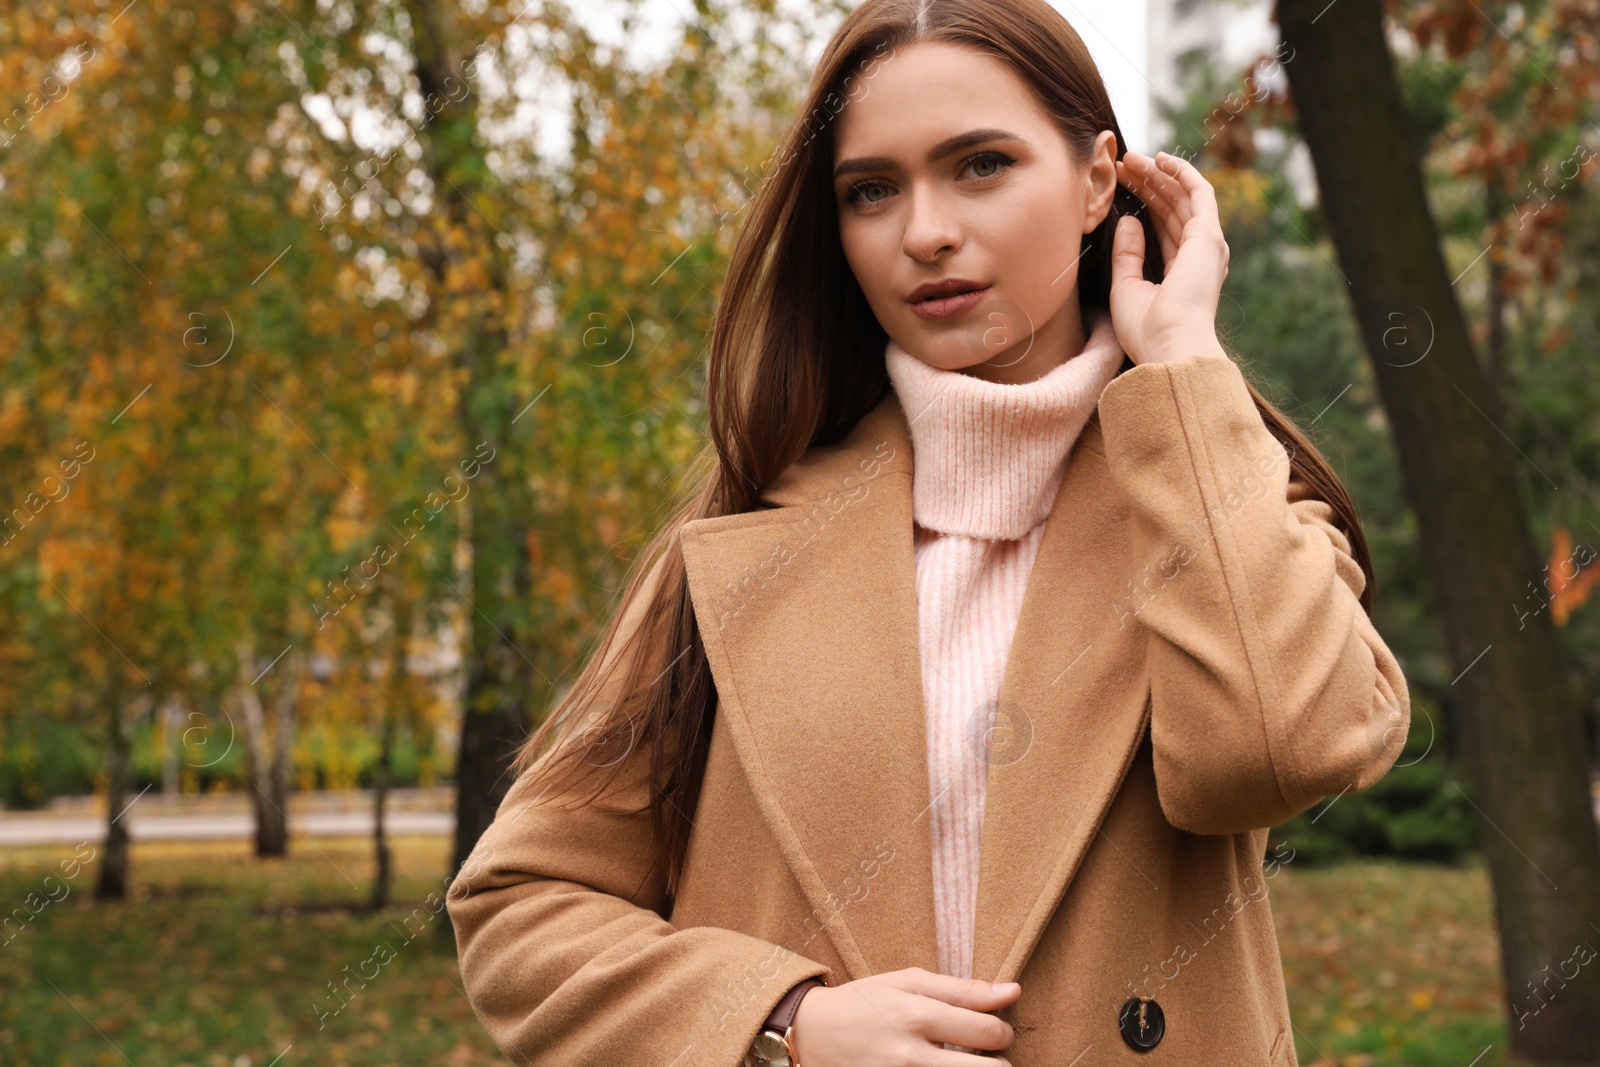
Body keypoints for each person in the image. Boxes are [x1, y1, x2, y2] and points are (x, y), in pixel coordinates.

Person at [445, 1, 1411, 1063]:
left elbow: (1271, 752)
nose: (924, 232)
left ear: (1098, 182)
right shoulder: (733, 548)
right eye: (871, 190)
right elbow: (521, 902)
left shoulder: (1231, 509)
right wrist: (784, 1020)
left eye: (980, 165)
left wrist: (1182, 364)